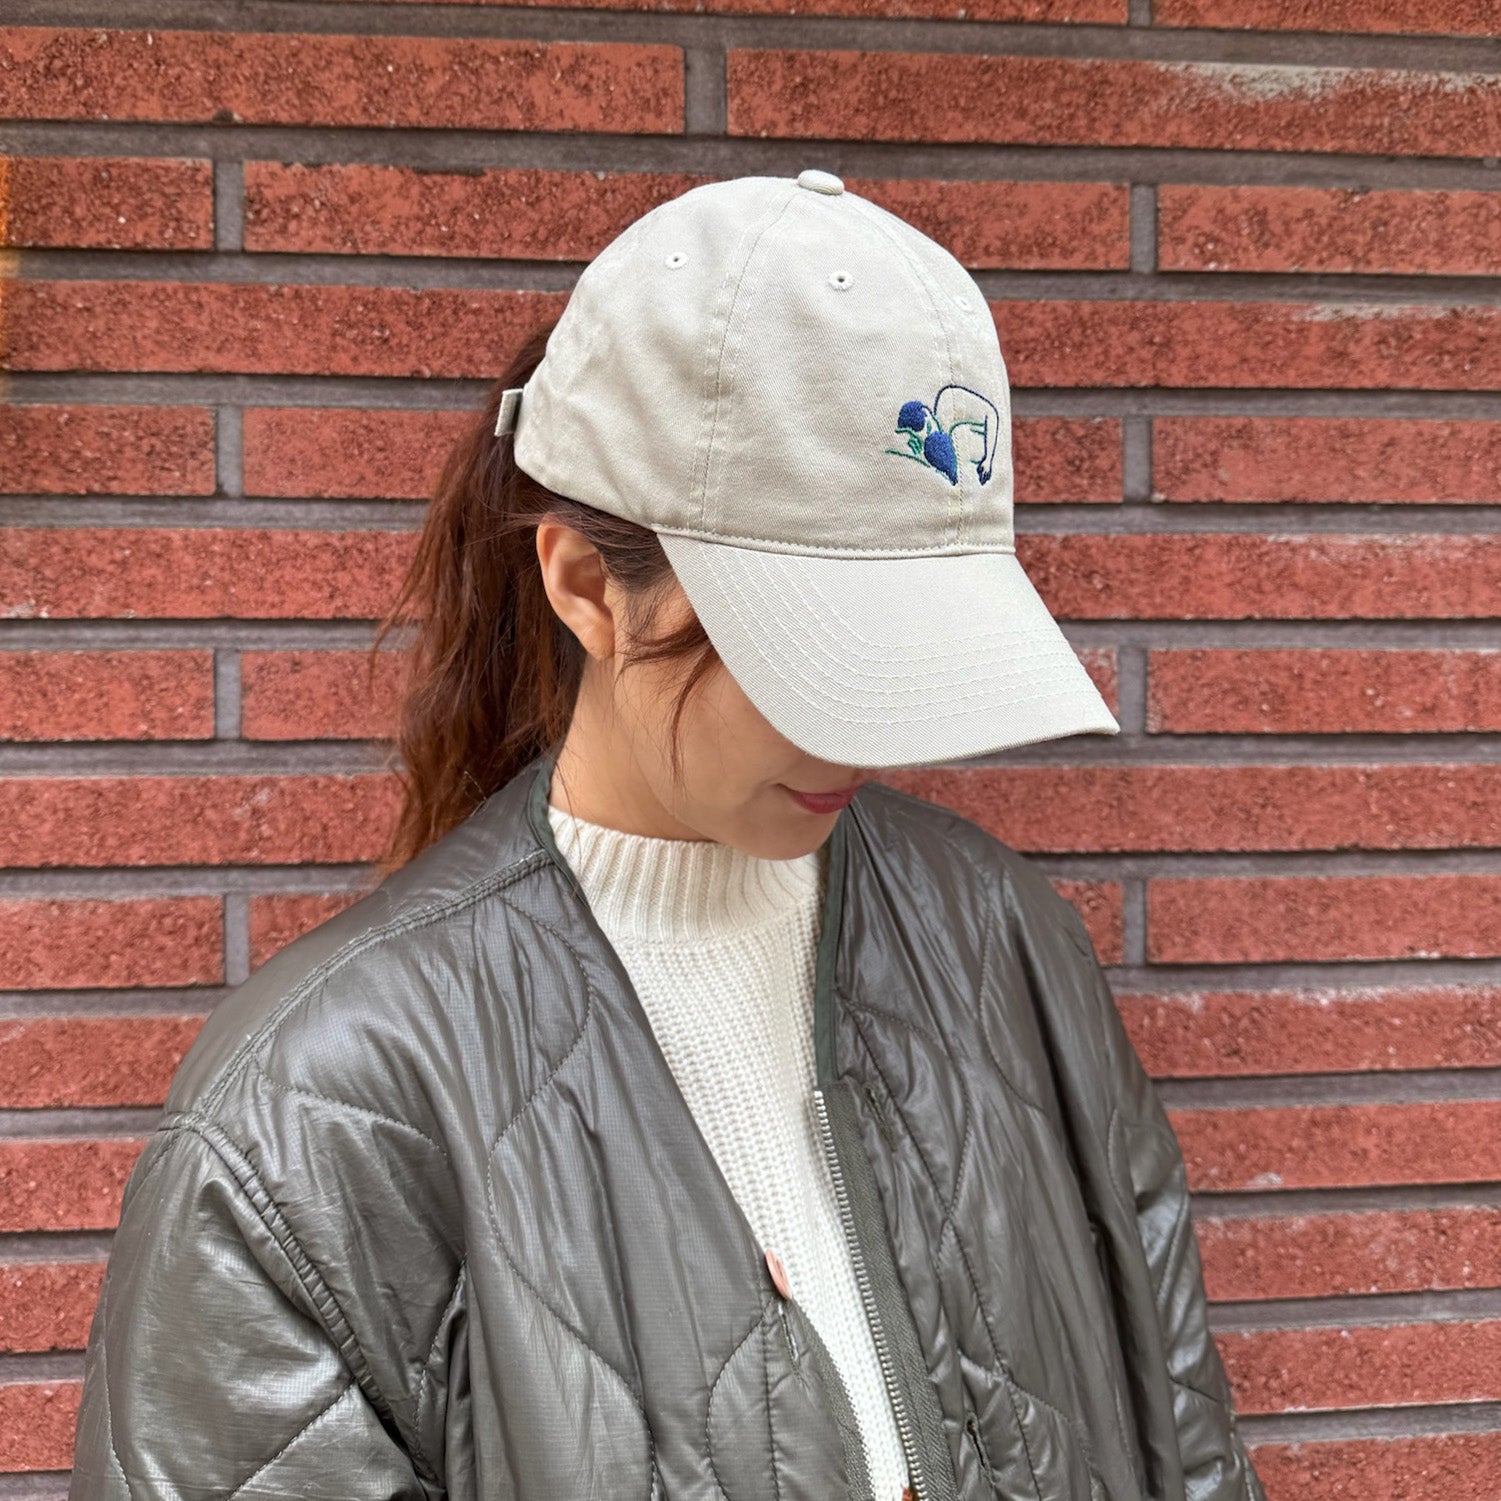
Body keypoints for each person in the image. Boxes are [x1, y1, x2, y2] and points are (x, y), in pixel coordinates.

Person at [68, 170, 1266, 1501]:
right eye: (809, 650)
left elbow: (1185, 1449)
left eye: (916, 648)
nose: (864, 729)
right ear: (586, 583)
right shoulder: (307, 1122)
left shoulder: (1007, 944)